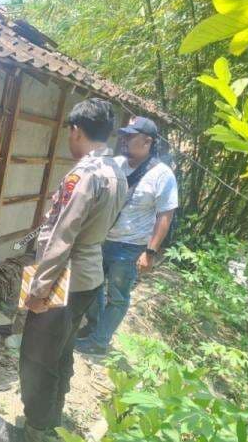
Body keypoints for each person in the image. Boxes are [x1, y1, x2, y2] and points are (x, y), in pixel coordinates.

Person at [0, 99, 127, 442]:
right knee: (60, 350)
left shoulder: (83, 175)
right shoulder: (116, 172)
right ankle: (52, 416)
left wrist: (38, 292)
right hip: (90, 276)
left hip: (63, 278)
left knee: (36, 357)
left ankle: (34, 431)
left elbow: (60, 238)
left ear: (76, 131)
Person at [75, 117, 178, 356]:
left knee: (117, 297)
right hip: (102, 239)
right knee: (93, 287)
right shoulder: (117, 164)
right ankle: (94, 328)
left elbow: (165, 216)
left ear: (147, 141)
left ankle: (100, 342)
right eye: (123, 135)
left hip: (131, 246)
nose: (124, 140)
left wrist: (149, 252)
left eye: (130, 136)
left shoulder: (162, 174)